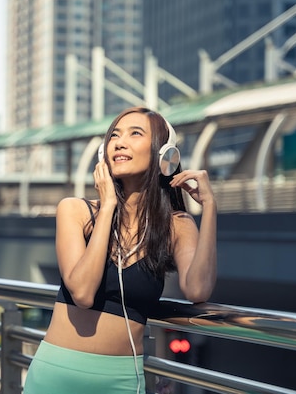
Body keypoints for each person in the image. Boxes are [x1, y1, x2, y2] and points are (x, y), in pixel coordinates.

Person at [23, 106, 217, 394]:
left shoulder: (176, 225)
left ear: (164, 155)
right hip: (57, 374)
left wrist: (211, 206)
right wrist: (109, 206)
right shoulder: (75, 210)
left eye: (135, 133)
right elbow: (83, 293)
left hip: (123, 380)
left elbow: (198, 290)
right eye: (114, 135)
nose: (119, 142)